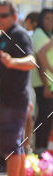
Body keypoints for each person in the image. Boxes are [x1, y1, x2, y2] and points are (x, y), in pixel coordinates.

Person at [0, 0, 36, 176]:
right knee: (15, 145)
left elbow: (31, 61)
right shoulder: (4, 36)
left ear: (14, 17)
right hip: (9, 99)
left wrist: (12, 62)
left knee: (12, 146)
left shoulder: (19, 34)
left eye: (3, 15)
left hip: (14, 99)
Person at [30, 8, 53, 154]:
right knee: (44, 117)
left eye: (52, 18)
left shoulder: (47, 35)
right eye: (47, 18)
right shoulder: (39, 34)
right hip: (43, 83)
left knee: (47, 117)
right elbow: (40, 58)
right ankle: (39, 149)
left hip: (49, 82)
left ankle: (43, 150)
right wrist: (46, 85)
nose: (50, 21)